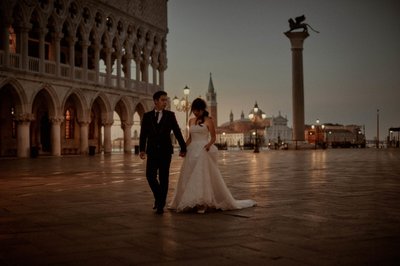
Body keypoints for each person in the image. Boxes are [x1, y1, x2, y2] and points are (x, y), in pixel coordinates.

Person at [168, 98, 256, 213]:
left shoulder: (209, 120)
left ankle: (202, 202)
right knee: (188, 175)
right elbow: (190, 138)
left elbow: (213, 137)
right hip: (192, 150)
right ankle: (190, 200)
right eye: (194, 110)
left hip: (204, 149)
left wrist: (209, 145)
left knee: (201, 175)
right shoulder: (191, 121)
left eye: (197, 110)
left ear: (202, 109)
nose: (195, 113)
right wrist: (183, 148)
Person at [139, 91, 187, 214]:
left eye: (166, 100)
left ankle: (160, 204)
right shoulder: (147, 116)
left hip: (166, 151)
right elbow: (143, 134)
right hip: (152, 151)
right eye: (163, 100)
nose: (165, 102)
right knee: (150, 176)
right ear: (155, 101)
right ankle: (160, 197)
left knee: (164, 177)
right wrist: (142, 149)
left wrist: (183, 147)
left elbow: (177, 131)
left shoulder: (170, 115)